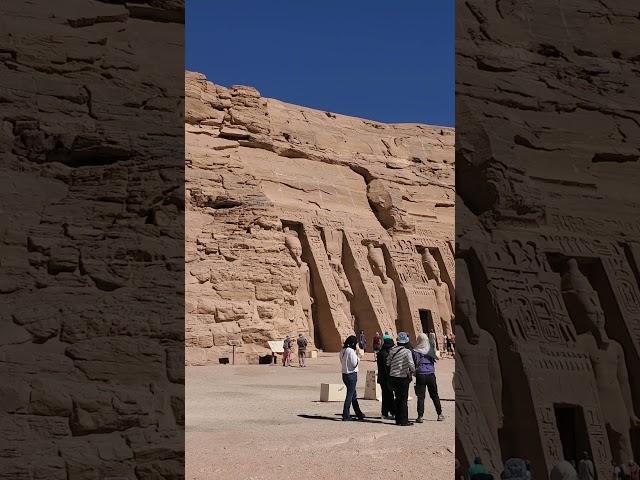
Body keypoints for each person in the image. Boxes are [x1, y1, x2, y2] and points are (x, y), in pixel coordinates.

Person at [412, 332, 444, 422]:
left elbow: (413, 362)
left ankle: (420, 416)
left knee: (421, 396)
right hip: (430, 374)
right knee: (434, 395)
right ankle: (440, 414)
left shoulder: (415, 351)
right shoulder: (430, 350)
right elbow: (436, 357)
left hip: (420, 374)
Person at [386, 331, 415, 426]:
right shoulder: (407, 351)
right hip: (402, 378)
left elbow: (388, 363)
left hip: (393, 377)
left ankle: (398, 419)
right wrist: (413, 371)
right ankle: (404, 420)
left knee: (397, 398)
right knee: (403, 400)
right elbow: (411, 364)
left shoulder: (392, 350)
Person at [339, 335, 365, 421]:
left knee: (353, 395)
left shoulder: (342, 350)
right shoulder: (350, 351)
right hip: (351, 374)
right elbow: (354, 363)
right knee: (350, 395)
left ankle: (359, 413)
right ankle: (345, 414)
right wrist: (359, 356)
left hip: (345, 374)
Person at [376, 335, 396, 419]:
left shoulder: (380, 353)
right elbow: (386, 368)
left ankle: (387, 412)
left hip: (382, 378)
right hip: (386, 378)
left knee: (387, 395)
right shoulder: (385, 355)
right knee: (388, 395)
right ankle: (388, 412)